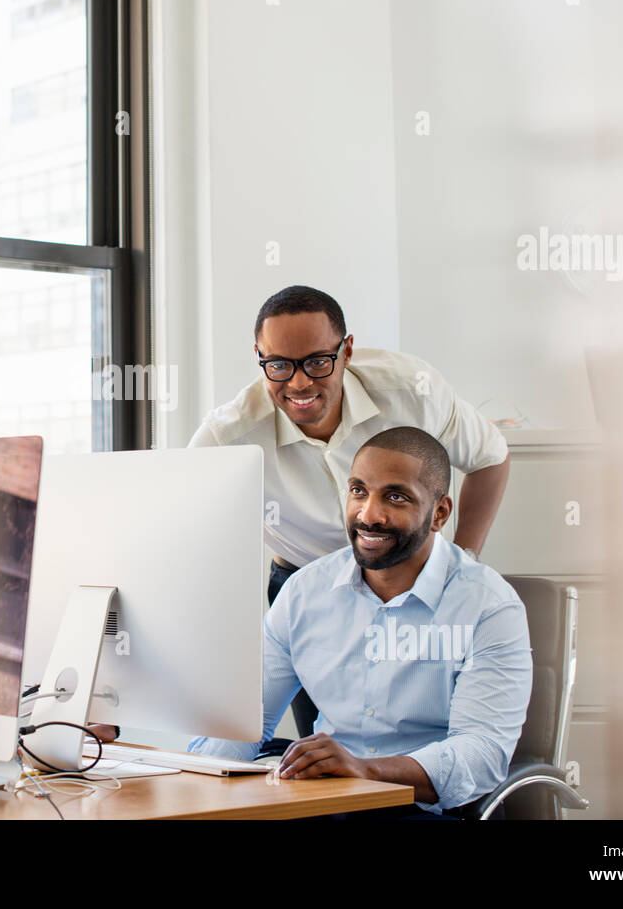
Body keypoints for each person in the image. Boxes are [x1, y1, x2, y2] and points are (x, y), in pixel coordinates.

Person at [189, 285, 511, 736]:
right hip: (308, 591)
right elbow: (181, 532)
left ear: (347, 350)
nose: (299, 382)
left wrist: (465, 561)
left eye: (318, 362)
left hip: (416, 583)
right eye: (278, 365)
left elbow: (490, 458)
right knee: (325, 750)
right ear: (259, 356)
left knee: (430, 737)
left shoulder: (411, 391)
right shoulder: (229, 436)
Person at [187, 427, 532, 818]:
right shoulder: (305, 592)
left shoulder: (488, 605)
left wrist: (365, 771)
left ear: (439, 513)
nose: (369, 515)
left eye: (395, 497)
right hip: (327, 801)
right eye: (358, 491)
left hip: (428, 808)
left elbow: (481, 756)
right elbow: (246, 722)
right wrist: (196, 793)